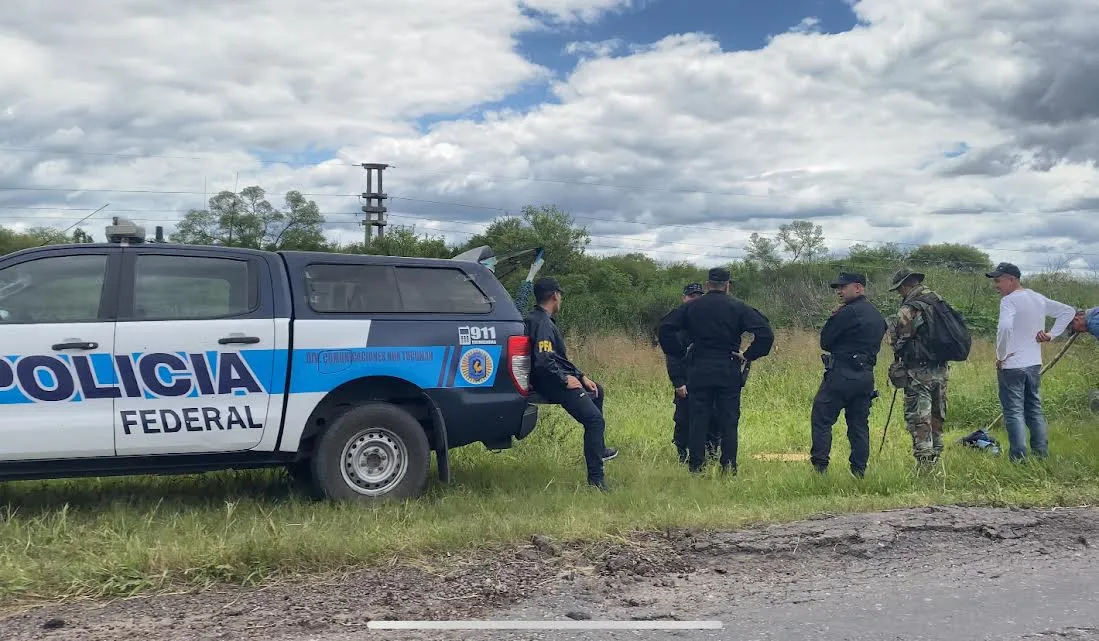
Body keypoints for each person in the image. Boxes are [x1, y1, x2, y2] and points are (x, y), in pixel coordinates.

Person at [658, 267, 774, 475]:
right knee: (729, 420)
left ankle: (696, 467)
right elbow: (765, 333)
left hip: (699, 368)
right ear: (727, 285)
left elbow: (665, 327)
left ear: (708, 284)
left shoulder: (692, 307)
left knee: (698, 418)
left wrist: (678, 352)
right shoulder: (738, 307)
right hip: (727, 368)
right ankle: (728, 467)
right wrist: (749, 354)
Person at [524, 277, 618, 491]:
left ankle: (599, 448)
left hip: (553, 376)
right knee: (594, 421)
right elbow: (544, 361)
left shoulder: (539, 318)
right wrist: (566, 379)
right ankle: (597, 480)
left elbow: (557, 358)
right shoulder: (542, 324)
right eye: (560, 296)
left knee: (597, 390)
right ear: (555, 295)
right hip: (549, 383)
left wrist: (581, 375)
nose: (561, 300)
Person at [986, 262, 1076, 461]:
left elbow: (1004, 328)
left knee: (1014, 411)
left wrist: (1001, 356)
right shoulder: (1037, 298)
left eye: (998, 280)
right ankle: (1041, 455)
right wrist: (1051, 335)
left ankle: (1018, 458)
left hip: (1012, 366)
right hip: (1034, 364)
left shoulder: (1009, 301)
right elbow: (1068, 311)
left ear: (1012, 279)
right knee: (1034, 409)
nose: (996, 285)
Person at [809, 272, 887, 478]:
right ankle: (859, 471)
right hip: (865, 377)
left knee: (822, 419)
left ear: (859, 288)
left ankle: (820, 469)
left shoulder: (846, 313)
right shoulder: (877, 315)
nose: (839, 291)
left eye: (843, 287)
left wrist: (833, 316)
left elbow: (825, 341)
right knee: (859, 425)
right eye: (838, 288)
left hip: (841, 375)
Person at [886, 268, 951, 470]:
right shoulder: (940, 302)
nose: (899, 294)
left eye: (899, 289)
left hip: (918, 372)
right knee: (937, 415)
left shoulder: (910, 308)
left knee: (919, 418)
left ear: (906, 286)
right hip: (941, 369)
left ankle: (925, 465)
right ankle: (937, 458)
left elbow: (896, 340)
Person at [663, 282, 721, 463]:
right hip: (686, 380)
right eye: (691, 296)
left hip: (708, 378)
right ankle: (683, 455)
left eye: (698, 296)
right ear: (684, 298)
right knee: (684, 419)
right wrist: (678, 382)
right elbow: (671, 355)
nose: (695, 299)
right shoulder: (677, 322)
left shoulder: (710, 320)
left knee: (713, 418)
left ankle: (711, 454)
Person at [1069, 307, 1099, 413]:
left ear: (1076, 319)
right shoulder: (1093, 312)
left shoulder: (1093, 324)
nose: (1077, 331)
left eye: (1074, 328)